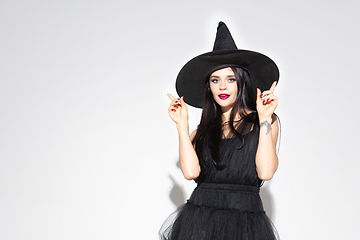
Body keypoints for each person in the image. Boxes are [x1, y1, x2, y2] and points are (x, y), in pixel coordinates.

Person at [160, 22, 280, 240]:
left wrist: (264, 118)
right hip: (200, 220)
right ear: (209, 87)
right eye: (215, 80)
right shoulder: (203, 130)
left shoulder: (265, 122)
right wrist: (181, 125)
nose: (222, 87)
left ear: (241, 82)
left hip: (245, 223)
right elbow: (190, 173)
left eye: (230, 79)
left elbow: (265, 172)